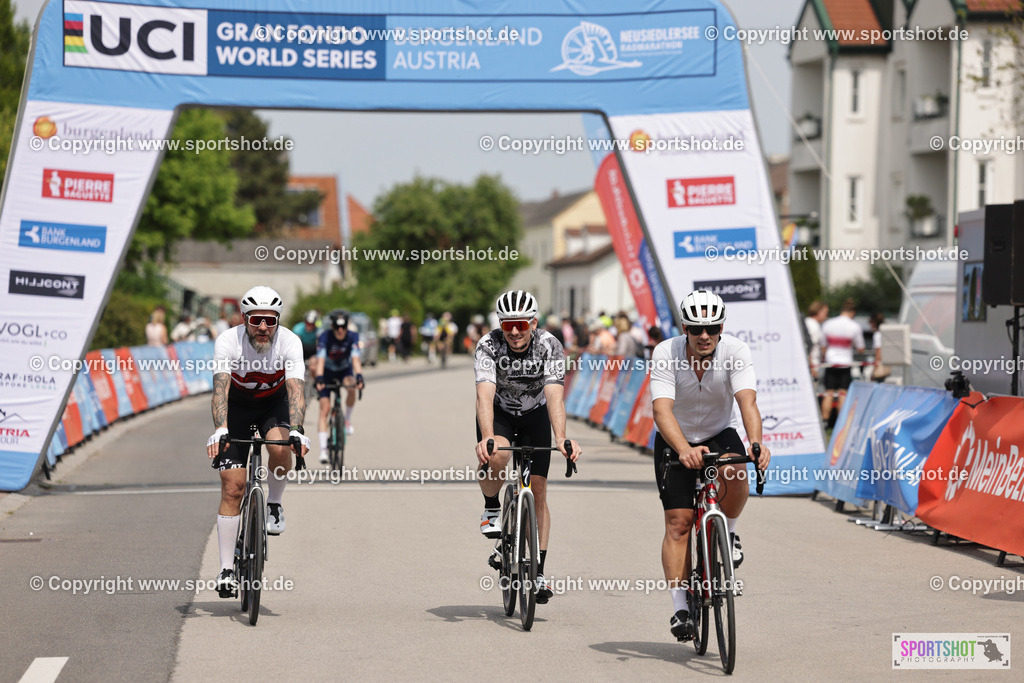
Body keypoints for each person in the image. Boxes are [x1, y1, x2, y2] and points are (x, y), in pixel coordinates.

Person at [649, 289, 770, 642]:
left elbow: (747, 402)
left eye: (712, 328)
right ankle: (680, 607)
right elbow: (661, 410)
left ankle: (728, 532)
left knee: (737, 470)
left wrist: (756, 443)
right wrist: (683, 448)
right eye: (696, 329)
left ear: (721, 328)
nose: (705, 336)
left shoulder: (735, 351)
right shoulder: (666, 352)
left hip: (719, 432)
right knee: (679, 523)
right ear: (684, 327)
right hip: (676, 438)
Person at [475, 290, 582, 604]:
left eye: (521, 323)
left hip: (535, 416)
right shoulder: (488, 345)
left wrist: (561, 437)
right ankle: (492, 505)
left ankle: (537, 573)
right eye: (507, 325)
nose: (515, 331)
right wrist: (487, 436)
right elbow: (483, 395)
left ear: (533, 322)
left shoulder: (549, 345)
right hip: (500, 414)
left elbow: (554, 396)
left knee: (538, 490)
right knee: (496, 455)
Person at [205, 286, 312, 598]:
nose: (263, 327)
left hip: (273, 406)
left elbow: (295, 389)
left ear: (277, 320)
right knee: (233, 486)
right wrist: (220, 428)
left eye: (270, 320)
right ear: (244, 318)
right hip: (236, 407)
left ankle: (274, 504)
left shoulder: (290, 342)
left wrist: (297, 429)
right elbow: (220, 388)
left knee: (281, 446)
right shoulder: (228, 340)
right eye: (256, 320)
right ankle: (226, 569)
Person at [314, 311, 365, 462]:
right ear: (332, 326)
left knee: (351, 386)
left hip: (344, 371)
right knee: (324, 409)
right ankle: (323, 450)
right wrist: (319, 377)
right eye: (337, 327)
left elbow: (355, 358)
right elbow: (320, 359)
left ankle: (347, 419)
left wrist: (359, 375)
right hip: (327, 372)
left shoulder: (352, 336)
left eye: (343, 327)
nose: (340, 331)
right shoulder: (325, 336)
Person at [820, 299, 866, 427]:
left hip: (830, 362)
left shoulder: (828, 324)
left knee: (828, 392)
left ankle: (825, 421)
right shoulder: (854, 326)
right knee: (842, 393)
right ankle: (841, 422)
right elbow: (860, 347)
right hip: (845, 363)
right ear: (852, 312)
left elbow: (823, 345)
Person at [804, 301, 829, 384]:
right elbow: (807, 347)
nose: (826, 315)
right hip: (811, 366)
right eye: (825, 312)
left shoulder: (807, 322)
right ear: (819, 312)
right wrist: (811, 368)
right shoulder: (813, 326)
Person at [291, 310, 321, 376]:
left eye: (312, 324)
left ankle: (315, 383)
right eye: (308, 323)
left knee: (313, 367)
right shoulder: (298, 328)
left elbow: (319, 345)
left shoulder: (318, 331)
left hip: (313, 351)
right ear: (305, 321)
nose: (309, 325)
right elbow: (295, 343)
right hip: (301, 350)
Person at [868, 312, 890, 382]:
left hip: (880, 367)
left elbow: (878, 352)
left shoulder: (877, 335)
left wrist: (874, 369)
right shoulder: (885, 333)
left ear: (874, 322)